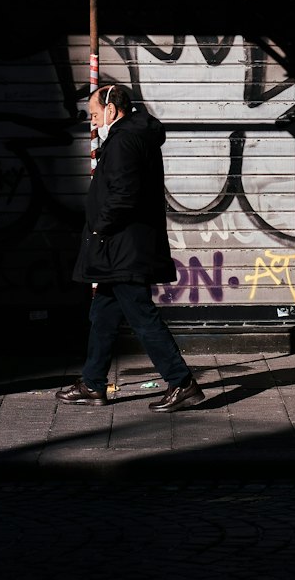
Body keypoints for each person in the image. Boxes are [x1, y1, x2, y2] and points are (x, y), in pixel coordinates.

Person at [55, 83, 205, 412]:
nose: (92, 122)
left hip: (123, 245)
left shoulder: (124, 140)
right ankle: (93, 384)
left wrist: (98, 226)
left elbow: (124, 194)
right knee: (103, 315)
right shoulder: (134, 135)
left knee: (141, 316)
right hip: (121, 246)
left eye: (95, 114)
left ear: (112, 110)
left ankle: (182, 383)